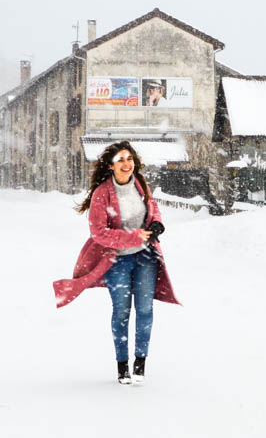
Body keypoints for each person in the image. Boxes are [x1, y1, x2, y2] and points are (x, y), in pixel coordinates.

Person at [53, 141, 179, 384]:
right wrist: (131, 236)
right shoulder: (102, 193)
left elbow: (152, 208)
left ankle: (140, 362)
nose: (126, 164)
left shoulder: (141, 185)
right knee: (121, 312)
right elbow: (98, 233)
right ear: (110, 166)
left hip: (145, 257)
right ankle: (122, 365)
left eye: (129, 159)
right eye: (120, 159)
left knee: (144, 309)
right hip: (117, 261)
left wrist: (156, 223)